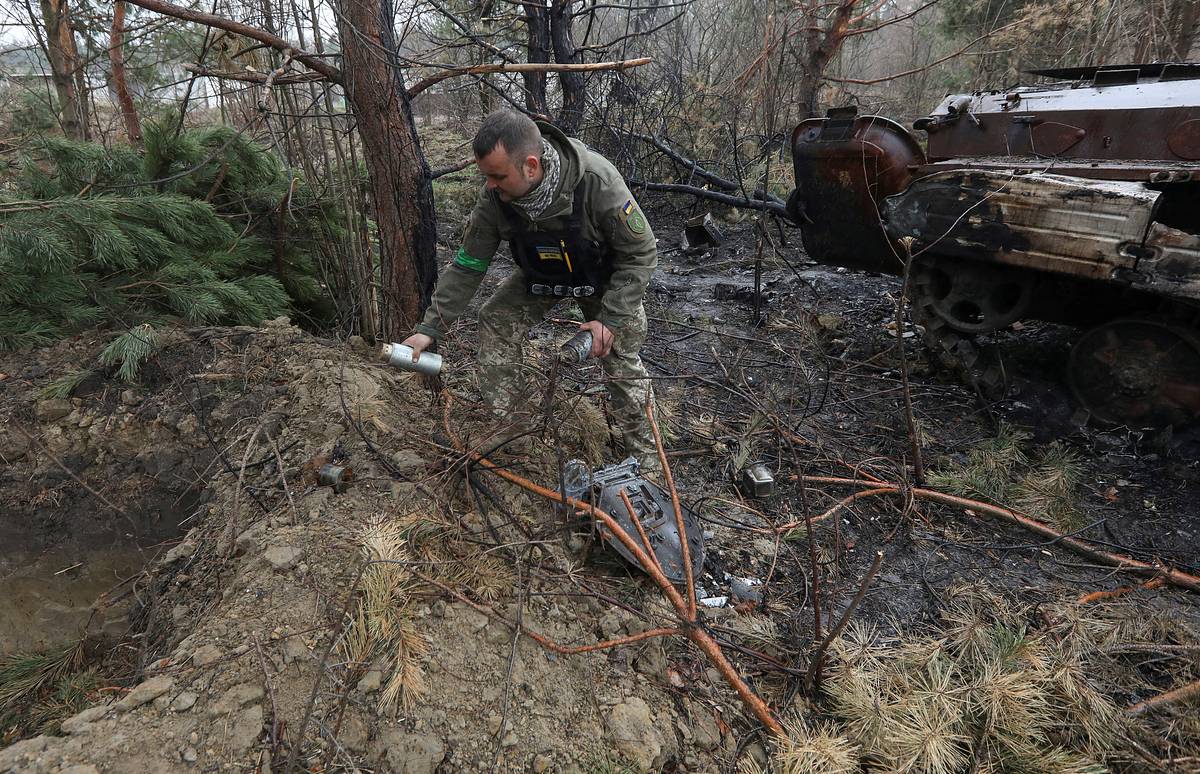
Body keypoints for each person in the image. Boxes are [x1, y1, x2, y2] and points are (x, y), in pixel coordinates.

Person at [401, 109, 660, 473]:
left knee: (619, 354)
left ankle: (649, 461)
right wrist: (429, 330)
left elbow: (641, 253)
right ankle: (514, 430)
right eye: (486, 176)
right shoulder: (494, 199)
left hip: (605, 279)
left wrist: (611, 320)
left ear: (532, 166)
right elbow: (468, 265)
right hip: (542, 274)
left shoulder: (597, 182)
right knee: (494, 319)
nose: (490, 185)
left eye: (498, 176)